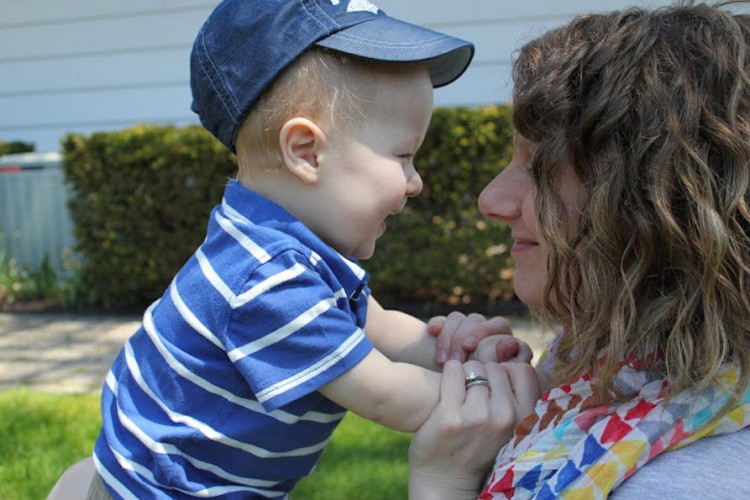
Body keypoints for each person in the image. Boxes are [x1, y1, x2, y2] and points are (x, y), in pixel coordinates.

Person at [86, 1, 533, 498]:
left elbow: (379, 327)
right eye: (404, 156)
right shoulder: (265, 277)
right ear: (306, 152)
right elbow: (387, 396)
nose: (416, 183)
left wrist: (456, 352)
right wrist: (500, 389)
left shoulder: (286, 249)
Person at [409, 2, 750, 498]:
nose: (491, 200)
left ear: (656, 204)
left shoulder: (677, 481)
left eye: (538, 166)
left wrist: (444, 480)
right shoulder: (615, 381)